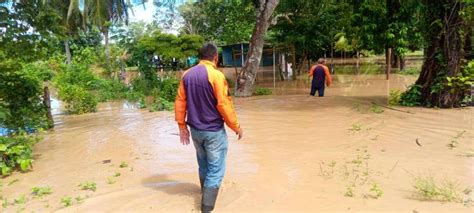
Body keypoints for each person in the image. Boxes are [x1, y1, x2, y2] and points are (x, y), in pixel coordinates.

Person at [175, 43, 243, 213]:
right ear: (215, 58)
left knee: (203, 165)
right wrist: (236, 127)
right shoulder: (216, 76)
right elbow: (224, 104)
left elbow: (180, 102)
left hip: (195, 131)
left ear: (200, 57)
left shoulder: (187, 75)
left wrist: (182, 126)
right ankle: (206, 209)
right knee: (216, 169)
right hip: (213, 131)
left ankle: (204, 194)